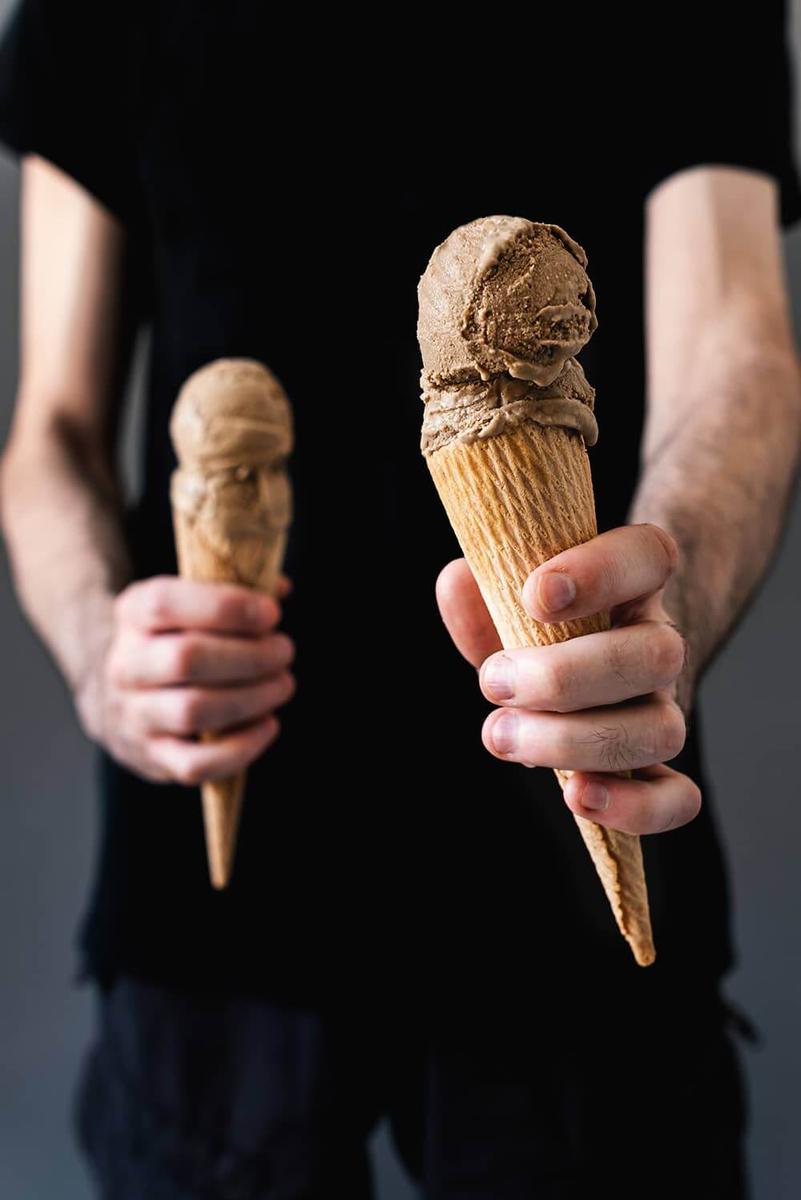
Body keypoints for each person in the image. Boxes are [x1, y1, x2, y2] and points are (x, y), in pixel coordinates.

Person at [0, 1, 799, 1196]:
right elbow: (51, 430)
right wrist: (96, 647)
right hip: (216, 911)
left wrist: (661, 595)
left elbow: (739, 346)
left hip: (575, 895)